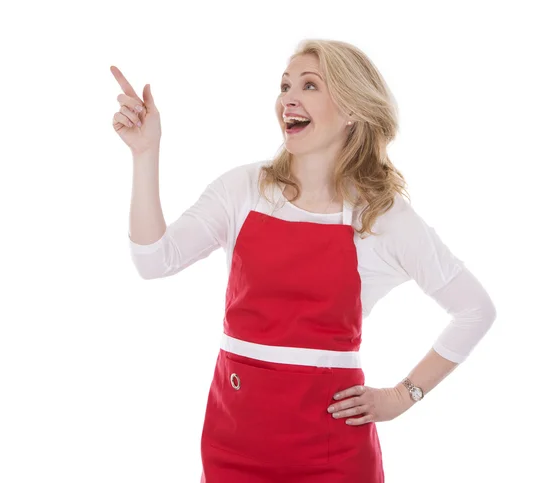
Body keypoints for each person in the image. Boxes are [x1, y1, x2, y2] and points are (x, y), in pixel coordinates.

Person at [111, 39, 497, 483]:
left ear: (351, 107)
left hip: (331, 456)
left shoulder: (381, 215)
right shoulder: (245, 189)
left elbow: (475, 310)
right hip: (232, 443)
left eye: (310, 85)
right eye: (285, 85)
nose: (287, 98)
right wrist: (145, 153)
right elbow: (154, 261)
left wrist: (401, 396)